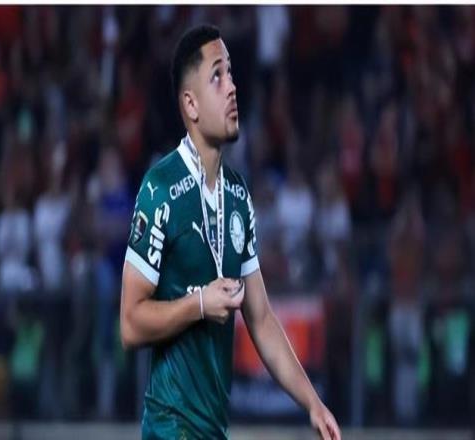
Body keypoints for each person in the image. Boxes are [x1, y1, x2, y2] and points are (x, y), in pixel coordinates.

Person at [120, 24, 341, 440]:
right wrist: (200, 303)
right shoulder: (160, 188)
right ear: (191, 104)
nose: (233, 87)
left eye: (232, 74)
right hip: (170, 427)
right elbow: (130, 324)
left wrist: (312, 403)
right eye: (217, 76)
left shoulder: (237, 194)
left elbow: (261, 318)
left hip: (212, 430)